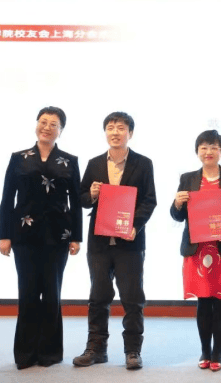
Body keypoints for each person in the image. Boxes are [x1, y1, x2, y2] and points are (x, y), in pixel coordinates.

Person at [0, 106, 82, 370]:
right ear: (36, 124)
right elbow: (7, 199)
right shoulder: (19, 158)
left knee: (52, 294)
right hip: (24, 235)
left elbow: (76, 203)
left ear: (61, 130)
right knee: (28, 293)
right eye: (43, 122)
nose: (47, 127)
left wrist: (77, 237)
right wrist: (4, 235)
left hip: (58, 236)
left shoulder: (70, 160)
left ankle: (49, 352)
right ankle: (25, 353)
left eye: (53, 124)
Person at [73, 112, 156, 371]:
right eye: (110, 127)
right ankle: (96, 349)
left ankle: (132, 351)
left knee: (132, 299)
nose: (115, 132)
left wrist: (135, 226)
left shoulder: (143, 163)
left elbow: (149, 200)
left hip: (129, 242)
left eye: (121, 128)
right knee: (98, 297)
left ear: (130, 133)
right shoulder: (94, 163)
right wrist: (91, 194)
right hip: (99, 242)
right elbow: (81, 198)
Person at [170, 130, 221, 372]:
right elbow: (177, 216)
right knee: (204, 302)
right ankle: (205, 350)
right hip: (198, 250)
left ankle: (218, 351)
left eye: (214, 147)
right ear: (197, 151)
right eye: (203, 147)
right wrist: (177, 203)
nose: (208, 152)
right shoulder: (188, 179)